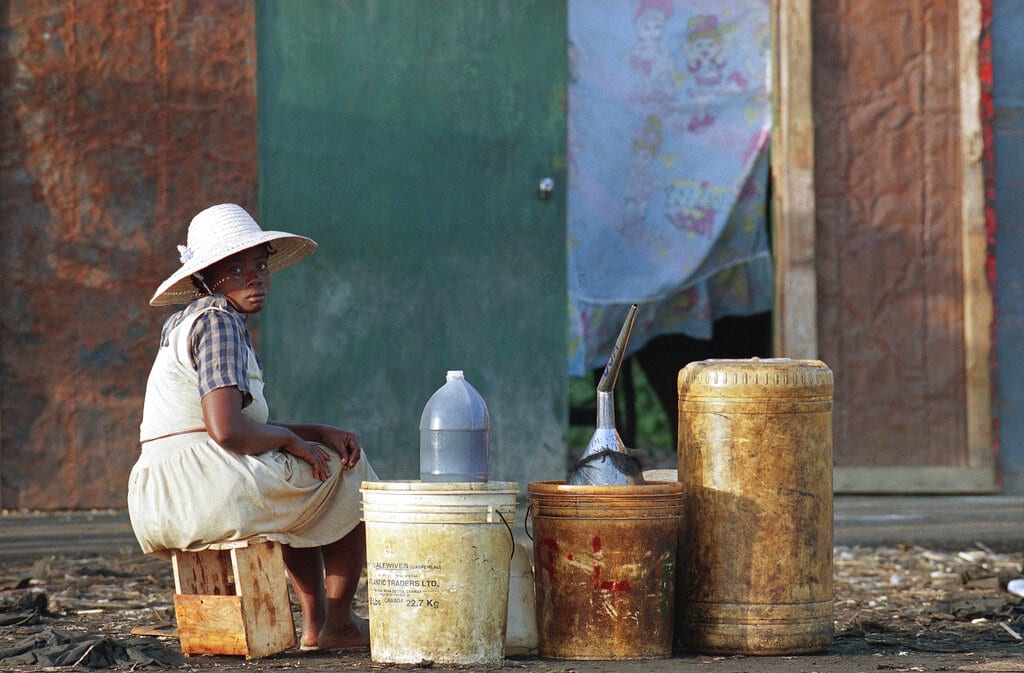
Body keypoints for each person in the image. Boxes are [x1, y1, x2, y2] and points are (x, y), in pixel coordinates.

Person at [127, 203, 376, 652]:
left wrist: (313, 431)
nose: (255, 277)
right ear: (205, 277)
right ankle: (335, 623)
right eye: (236, 268)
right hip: (203, 488)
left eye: (260, 265)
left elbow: (233, 423)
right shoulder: (219, 322)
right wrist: (289, 440)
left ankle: (318, 624)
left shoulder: (187, 322)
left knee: (300, 474)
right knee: (346, 470)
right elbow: (227, 431)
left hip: (161, 490)